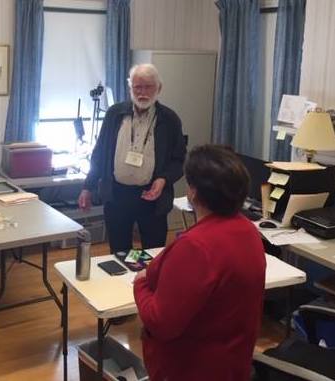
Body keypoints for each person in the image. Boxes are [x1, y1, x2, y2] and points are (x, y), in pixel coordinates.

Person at [133, 144, 267, 381]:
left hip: (192, 369)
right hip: (233, 364)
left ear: (192, 193)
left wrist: (140, 283)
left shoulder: (196, 247)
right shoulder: (248, 231)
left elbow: (161, 323)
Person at [78, 63, 186, 253]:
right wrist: (88, 187)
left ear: (158, 88)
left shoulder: (170, 120)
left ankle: (149, 283)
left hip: (152, 198)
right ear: (130, 88)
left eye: (148, 87)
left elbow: (178, 160)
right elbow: (100, 153)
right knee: (119, 253)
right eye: (137, 87)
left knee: (154, 254)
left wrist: (163, 179)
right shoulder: (114, 114)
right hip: (117, 196)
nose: (142, 92)